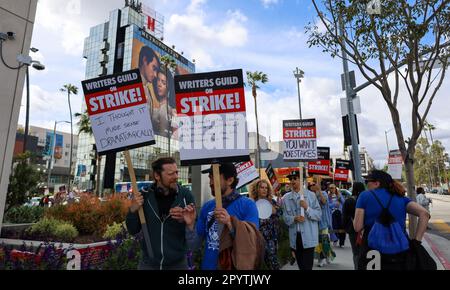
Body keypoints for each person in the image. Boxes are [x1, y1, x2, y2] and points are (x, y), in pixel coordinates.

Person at [183, 163, 260, 270]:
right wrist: (190, 225)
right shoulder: (207, 207)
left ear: (230, 180)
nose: (210, 183)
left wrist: (230, 223)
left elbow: (252, 240)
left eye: (214, 178)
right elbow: (194, 245)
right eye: (210, 178)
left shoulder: (248, 205)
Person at [125, 157, 196, 270]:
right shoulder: (144, 196)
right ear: (157, 176)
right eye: (170, 174)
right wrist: (133, 210)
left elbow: (194, 237)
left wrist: (189, 222)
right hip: (148, 264)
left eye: (176, 172)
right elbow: (132, 230)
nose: (176, 177)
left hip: (177, 265)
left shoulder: (185, 196)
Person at [354, 170, 431, 270]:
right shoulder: (401, 198)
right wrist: (417, 241)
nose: (366, 185)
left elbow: (357, 227)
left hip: (372, 251)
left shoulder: (364, 196)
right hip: (399, 251)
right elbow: (424, 214)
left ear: (377, 183)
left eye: (367, 182)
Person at [282, 170, 322, 270]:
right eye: (290, 179)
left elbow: (318, 215)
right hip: (295, 238)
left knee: (307, 267)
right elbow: (285, 218)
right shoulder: (286, 198)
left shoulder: (311, 195)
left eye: (295, 178)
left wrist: (307, 208)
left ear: (301, 180)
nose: (292, 181)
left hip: (308, 236)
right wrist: (294, 218)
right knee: (301, 266)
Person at [250, 179, 283, 270]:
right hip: (257, 239)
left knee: (273, 264)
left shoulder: (271, 201)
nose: (264, 190)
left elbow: (280, 213)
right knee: (255, 265)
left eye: (266, 188)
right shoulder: (252, 203)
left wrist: (272, 207)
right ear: (257, 189)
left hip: (271, 239)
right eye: (262, 187)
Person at [310, 181, 335, 267]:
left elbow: (324, 202)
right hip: (314, 222)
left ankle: (323, 258)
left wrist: (319, 191)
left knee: (324, 241)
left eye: (314, 184)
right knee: (318, 241)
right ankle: (325, 256)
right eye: (311, 185)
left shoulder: (323, 193)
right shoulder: (310, 195)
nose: (312, 186)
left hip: (323, 222)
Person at [342, 182, 366, 269]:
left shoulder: (349, 201)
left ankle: (357, 267)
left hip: (353, 230)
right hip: (366, 229)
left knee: (356, 253)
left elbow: (344, 217)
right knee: (365, 251)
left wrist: (346, 228)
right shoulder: (366, 199)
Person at [138, 46, 161, 129]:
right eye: (153, 68)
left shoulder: (146, 89)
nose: (155, 75)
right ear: (144, 60)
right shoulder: (133, 87)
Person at [153, 67, 177, 137]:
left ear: (169, 87)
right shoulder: (151, 102)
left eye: (163, 83)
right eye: (158, 80)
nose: (159, 85)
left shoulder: (172, 110)